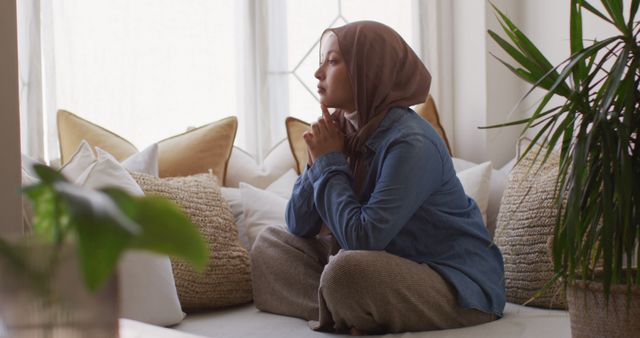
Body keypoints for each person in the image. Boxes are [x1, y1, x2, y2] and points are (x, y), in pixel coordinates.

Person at [250, 20, 505, 335]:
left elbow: (363, 238)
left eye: (332, 62)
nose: (318, 74)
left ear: (367, 71)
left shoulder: (411, 142)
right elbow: (298, 224)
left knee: (346, 272)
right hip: (380, 269)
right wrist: (318, 159)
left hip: (453, 282)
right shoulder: (342, 130)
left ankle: (351, 305)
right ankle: (354, 311)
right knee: (268, 246)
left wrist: (330, 161)